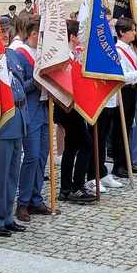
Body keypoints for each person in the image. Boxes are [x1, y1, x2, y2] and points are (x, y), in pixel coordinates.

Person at [0, 37, 30, 237]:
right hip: (2, 123)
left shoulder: (12, 54)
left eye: (5, 32)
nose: (3, 35)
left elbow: (20, 84)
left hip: (18, 117)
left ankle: (6, 216)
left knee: (13, 174)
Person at [12, 16, 51, 220]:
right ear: (34, 34)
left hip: (44, 108)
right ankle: (23, 201)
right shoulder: (20, 54)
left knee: (43, 156)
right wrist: (37, 80)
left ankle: (36, 198)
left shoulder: (43, 54)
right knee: (32, 155)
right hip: (30, 110)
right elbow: (18, 87)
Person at [56, 20, 96, 202]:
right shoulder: (65, 57)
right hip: (69, 108)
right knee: (86, 145)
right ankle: (77, 185)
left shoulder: (71, 55)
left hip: (73, 108)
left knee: (71, 147)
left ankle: (65, 189)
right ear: (72, 37)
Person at [112, 18, 137, 178]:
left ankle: (127, 161)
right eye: (131, 30)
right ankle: (119, 165)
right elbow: (122, 76)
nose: (134, 33)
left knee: (129, 126)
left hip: (132, 91)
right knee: (121, 128)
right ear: (122, 33)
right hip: (123, 91)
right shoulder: (117, 50)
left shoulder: (130, 48)